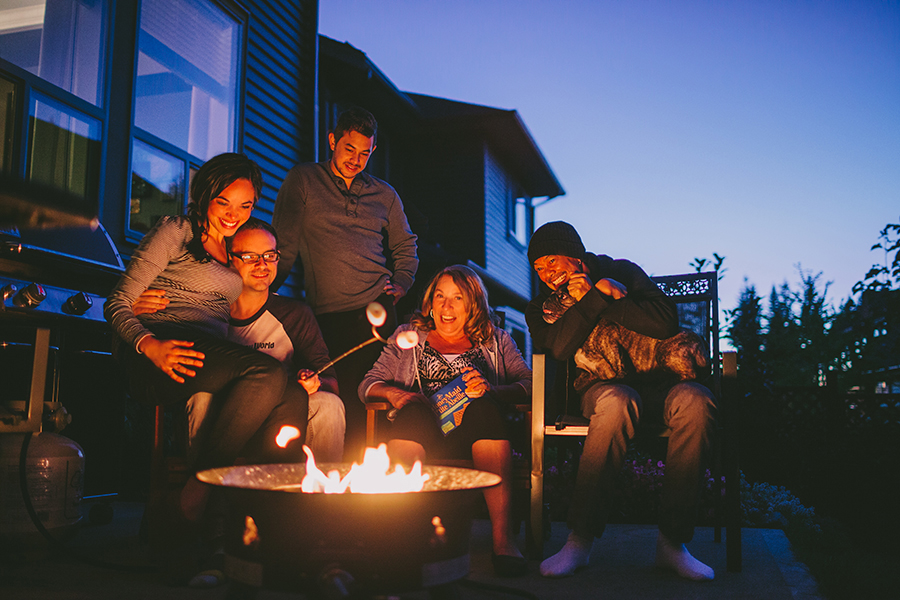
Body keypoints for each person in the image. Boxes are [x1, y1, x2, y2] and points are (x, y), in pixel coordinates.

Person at [104, 153, 307, 529]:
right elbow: (117, 302)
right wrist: (150, 344)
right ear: (205, 195)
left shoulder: (230, 246)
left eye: (245, 205)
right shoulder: (176, 230)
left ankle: (262, 511)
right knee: (265, 373)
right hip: (162, 352)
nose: (234, 213)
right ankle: (201, 486)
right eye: (223, 201)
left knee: (293, 393)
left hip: (206, 353)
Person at [524, 221, 717, 581]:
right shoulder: (542, 308)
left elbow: (664, 322)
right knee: (617, 402)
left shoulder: (623, 271)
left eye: (553, 262)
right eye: (539, 268)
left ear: (577, 257)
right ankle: (578, 542)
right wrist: (593, 299)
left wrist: (607, 297)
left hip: (662, 383)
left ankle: (672, 544)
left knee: (696, 401)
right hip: (600, 387)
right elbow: (561, 348)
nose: (547, 274)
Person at [360, 265, 531, 577]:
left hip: (476, 434)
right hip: (423, 431)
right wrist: (396, 395)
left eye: (457, 298)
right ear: (430, 302)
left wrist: (494, 390)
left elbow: (529, 385)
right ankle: (403, 534)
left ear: (474, 304)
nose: (446, 307)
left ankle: (502, 540)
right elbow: (368, 384)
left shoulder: (497, 340)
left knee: (483, 406)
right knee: (413, 409)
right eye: (440, 297)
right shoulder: (408, 337)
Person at [272, 106, 418, 461]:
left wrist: (400, 282)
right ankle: (332, 486)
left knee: (378, 402)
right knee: (337, 401)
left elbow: (406, 245)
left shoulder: (385, 195)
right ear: (333, 140)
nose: (356, 159)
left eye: (365, 153)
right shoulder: (304, 180)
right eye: (349, 149)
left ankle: (375, 489)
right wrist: (265, 291)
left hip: (379, 310)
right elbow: (285, 243)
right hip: (329, 314)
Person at [133, 219, 346, 462]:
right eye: (249, 257)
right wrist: (135, 309)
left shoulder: (294, 314)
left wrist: (314, 382)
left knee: (328, 404)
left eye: (270, 255)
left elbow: (332, 381)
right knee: (201, 396)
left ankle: (319, 496)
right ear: (228, 259)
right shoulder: (202, 310)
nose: (262, 265)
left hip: (284, 416)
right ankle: (205, 483)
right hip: (225, 416)